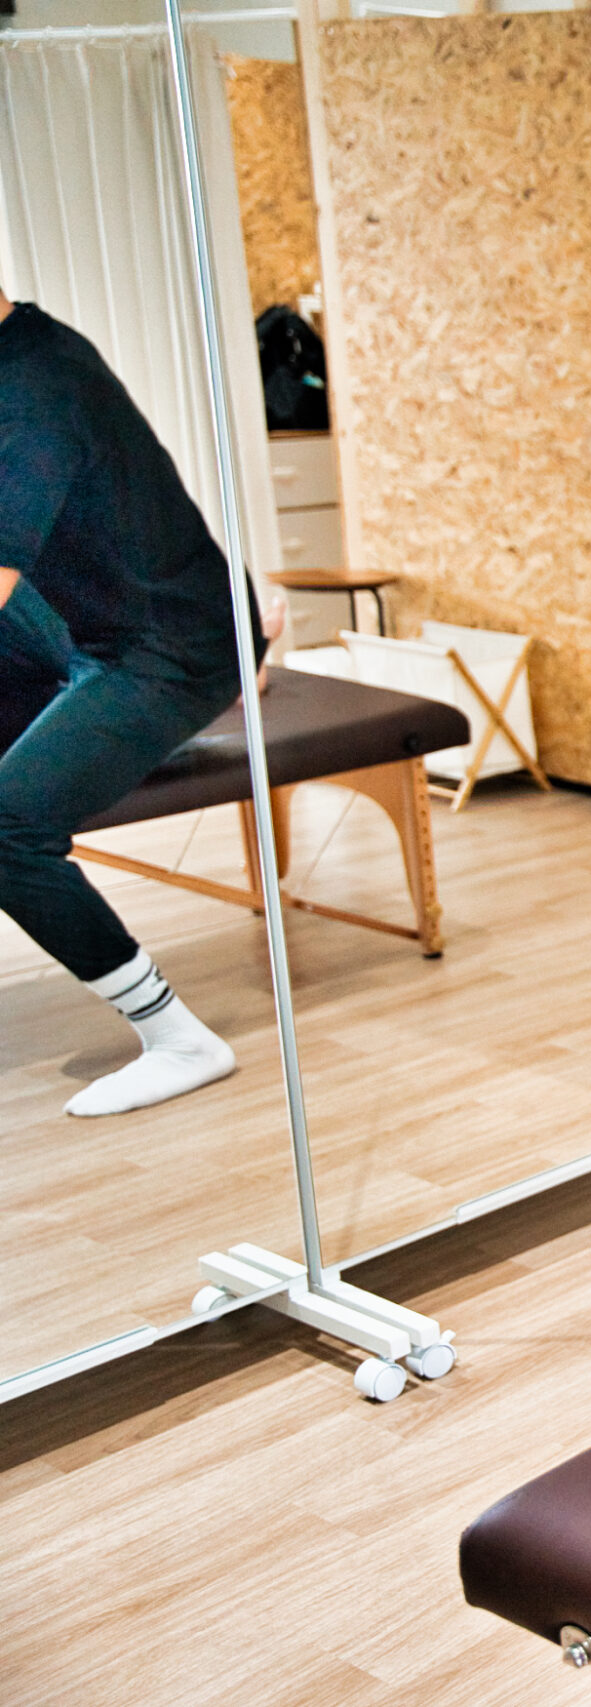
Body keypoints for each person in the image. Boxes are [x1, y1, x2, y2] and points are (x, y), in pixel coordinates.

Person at [0, 287, 254, 1116]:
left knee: (6, 828)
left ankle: (178, 1039)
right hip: (88, 624)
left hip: (172, 648)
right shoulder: (20, 347)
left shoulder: (32, 396)